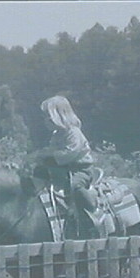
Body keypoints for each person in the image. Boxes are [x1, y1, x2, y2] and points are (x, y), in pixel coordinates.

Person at [34, 95, 103, 224]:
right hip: (61, 169)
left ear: (58, 116)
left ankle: (92, 208)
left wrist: (50, 156)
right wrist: (42, 157)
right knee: (40, 176)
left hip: (80, 170)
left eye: (48, 117)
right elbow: (52, 150)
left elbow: (71, 153)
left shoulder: (73, 133)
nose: (45, 121)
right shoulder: (57, 134)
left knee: (75, 186)